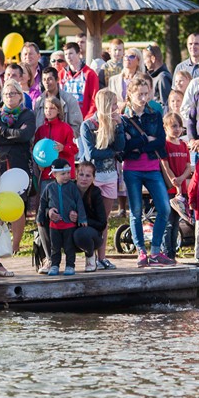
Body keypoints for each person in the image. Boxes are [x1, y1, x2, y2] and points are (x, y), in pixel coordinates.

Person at [122, 77, 174, 267]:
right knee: (136, 211)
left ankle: (155, 250)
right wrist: (146, 140)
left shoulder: (154, 114)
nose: (144, 98)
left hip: (152, 166)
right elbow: (125, 147)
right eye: (140, 94)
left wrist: (139, 144)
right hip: (132, 169)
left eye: (146, 93)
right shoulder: (124, 117)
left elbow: (160, 141)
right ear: (130, 94)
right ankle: (141, 251)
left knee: (164, 208)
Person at [79, 89, 125, 271]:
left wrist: (119, 127)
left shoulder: (115, 123)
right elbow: (92, 153)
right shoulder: (88, 125)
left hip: (110, 175)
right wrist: (112, 151)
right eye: (113, 104)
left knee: (103, 219)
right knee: (89, 217)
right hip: (94, 177)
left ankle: (102, 257)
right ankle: (89, 256)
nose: (116, 108)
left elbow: (121, 148)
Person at [0, 80, 36, 255]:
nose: (9, 97)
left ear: (20, 95)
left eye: (13, 93)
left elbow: (25, 135)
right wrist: (11, 133)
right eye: (6, 94)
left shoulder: (27, 114)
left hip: (19, 162)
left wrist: (2, 131)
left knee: (18, 202)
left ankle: (15, 245)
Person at [37, 158, 87, 276]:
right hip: (54, 225)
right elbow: (42, 203)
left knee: (69, 247)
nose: (66, 176)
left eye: (68, 173)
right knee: (55, 247)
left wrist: (82, 218)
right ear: (54, 174)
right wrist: (40, 218)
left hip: (69, 224)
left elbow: (79, 202)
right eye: (63, 174)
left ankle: (70, 265)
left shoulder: (72, 187)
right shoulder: (49, 188)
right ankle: (54, 265)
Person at [161, 112, 193, 261]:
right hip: (169, 189)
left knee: (175, 223)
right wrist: (173, 179)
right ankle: (166, 253)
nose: (177, 129)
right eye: (174, 126)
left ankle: (172, 254)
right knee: (168, 222)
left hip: (181, 190)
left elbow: (188, 167)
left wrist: (181, 178)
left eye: (179, 126)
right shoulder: (165, 145)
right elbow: (165, 165)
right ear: (166, 127)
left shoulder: (183, 145)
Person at [34, 97, 79, 190]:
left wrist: (64, 148)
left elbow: (74, 149)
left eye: (52, 108)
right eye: (46, 108)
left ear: (58, 110)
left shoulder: (66, 128)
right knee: (48, 201)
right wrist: (39, 163)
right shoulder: (40, 130)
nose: (48, 111)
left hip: (63, 175)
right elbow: (36, 150)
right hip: (46, 175)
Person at [74, 161, 107, 272]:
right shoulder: (69, 189)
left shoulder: (95, 193)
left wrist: (83, 220)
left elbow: (102, 223)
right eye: (81, 175)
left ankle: (90, 256)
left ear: (93, 178)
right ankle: (51, 261)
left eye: (88, 175)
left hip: (91, 234)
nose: (84, 178)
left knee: (81, 233)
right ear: (76, 175)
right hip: (68, 229)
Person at [34, 66, 82, 136]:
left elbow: (77, 126)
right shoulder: (39, 101)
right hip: (43, 142)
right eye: (44, 79)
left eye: (49, 79)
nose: (46, 82)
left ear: (57, 80)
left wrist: (63, 138)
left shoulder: (70, 100)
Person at [59, 42, 98, 119]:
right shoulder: (61, 74)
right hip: (65, 118)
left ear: (78, 53)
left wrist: (88, 117)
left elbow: (94, 98)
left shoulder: (90, 74)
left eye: (71, 53)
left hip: (83, 118)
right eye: (66, 54)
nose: (68, 57)